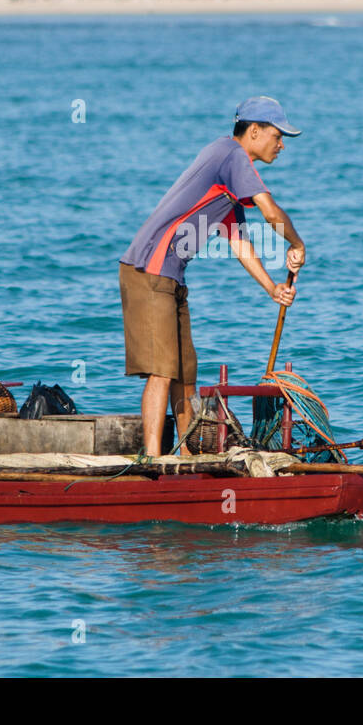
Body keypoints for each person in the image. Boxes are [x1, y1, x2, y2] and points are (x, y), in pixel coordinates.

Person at [119, 96, 307, 456]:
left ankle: (187, 459)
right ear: (254, 131)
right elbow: (269, 211)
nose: (281, 145)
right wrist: (297, 242)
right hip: (148, 269)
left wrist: (272, 288)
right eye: (277, 136)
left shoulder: (230, 176)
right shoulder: (232, 155)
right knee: (162, 371)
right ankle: (154, 460)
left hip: (171, 276)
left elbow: (238, 242)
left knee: (185, 375)